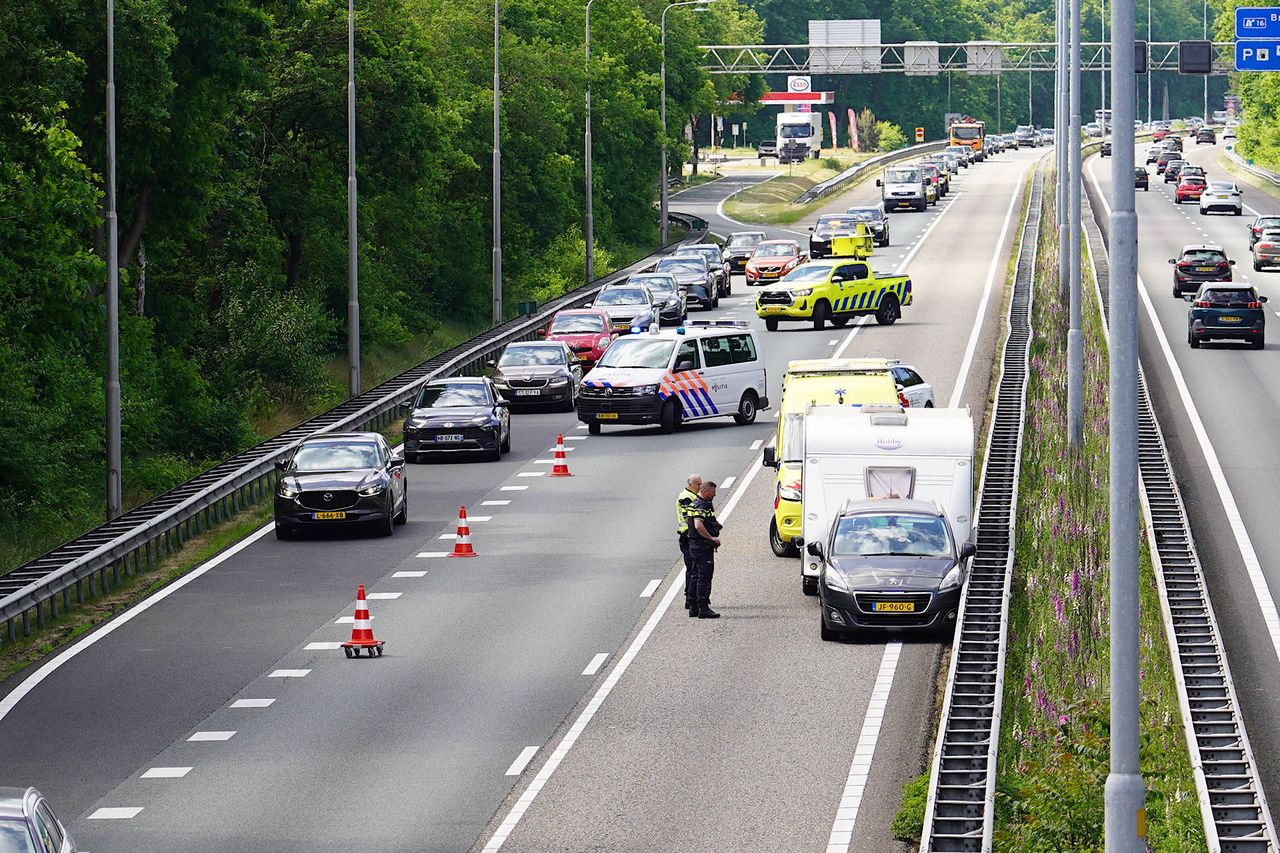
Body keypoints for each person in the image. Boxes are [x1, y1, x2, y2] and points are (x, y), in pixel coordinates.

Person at [687, 481, 722, 619]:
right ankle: (703, 608)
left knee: (695, 575)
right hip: (702, 546)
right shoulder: (701, 506)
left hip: (694, 545)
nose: (715, 494)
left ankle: (693, 606)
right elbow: (698, 525)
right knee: (704, 577)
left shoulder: (694, 503)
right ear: (706, 491)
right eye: (713, 492)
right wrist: (711, 539)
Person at [676, 474, 703, 611]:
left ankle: (692, 597)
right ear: (690, 484)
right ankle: (690, 598)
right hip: (688, 536)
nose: (700, 487)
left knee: (693, 567)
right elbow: (688, 518)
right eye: (698, 484)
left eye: (701, 484)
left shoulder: (693, 496)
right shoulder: (686, 497)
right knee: (692, 568)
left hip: (690, 535)